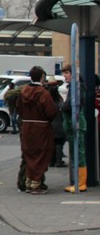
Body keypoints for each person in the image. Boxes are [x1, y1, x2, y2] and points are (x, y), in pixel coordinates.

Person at [15, 65, 57, 195]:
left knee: (29, 154)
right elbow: (51, 112)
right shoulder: (43, 93)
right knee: (41, 155)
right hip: (41, 128)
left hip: (27, 127)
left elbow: (18, 108)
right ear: (42, 77)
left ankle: (28, 182)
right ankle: (35, 184)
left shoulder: (23, 91)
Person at [60, 68, 88, 193]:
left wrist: (62, 106)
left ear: (72, 74)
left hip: (75, 124)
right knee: (76, 152)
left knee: (78, 152)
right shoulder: (75, 87)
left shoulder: (76, 88)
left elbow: (73, 104)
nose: (64, 76)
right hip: (74, 124)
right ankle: (78, 181)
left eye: (66, 73)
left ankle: (81, 183)